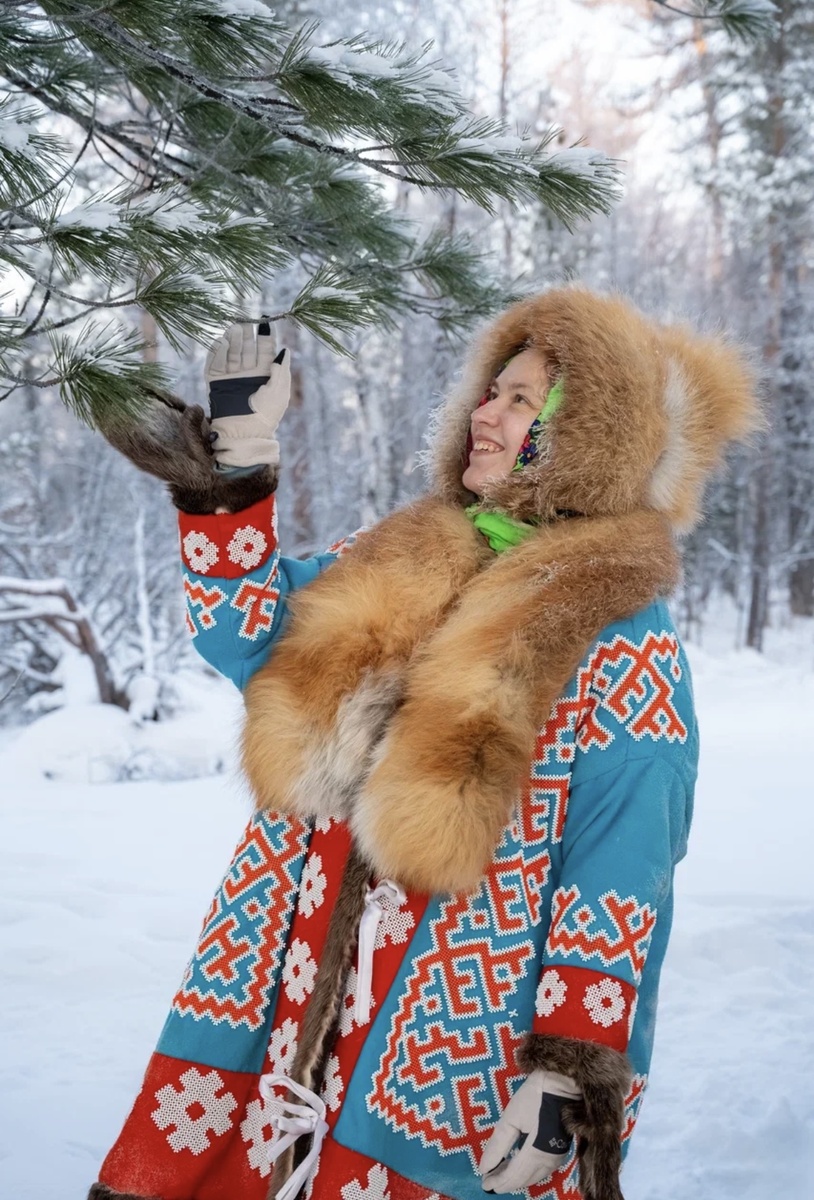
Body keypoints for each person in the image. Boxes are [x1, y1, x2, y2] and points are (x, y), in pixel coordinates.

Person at [88, 288, 759, 1200]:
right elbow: (248, 633)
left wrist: (568, 1067)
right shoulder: (401, 551)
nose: (487, 411)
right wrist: (233, 480)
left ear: (593, 434)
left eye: (523, 400)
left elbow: (622, 861)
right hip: (293, 980)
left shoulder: (621, 634)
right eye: (492, 391)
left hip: (452, 1027)